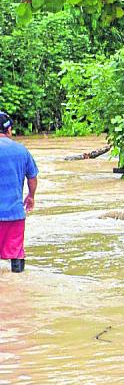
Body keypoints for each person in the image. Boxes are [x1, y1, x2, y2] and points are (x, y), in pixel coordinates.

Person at [0, 112, 37, 273]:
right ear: (8, 130)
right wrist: (31, 196)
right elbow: (32, 177)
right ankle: (18, 288)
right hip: (15, 214)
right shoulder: (21, 150)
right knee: (16, 252)